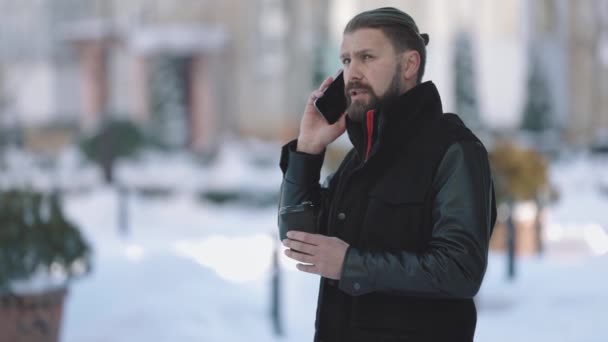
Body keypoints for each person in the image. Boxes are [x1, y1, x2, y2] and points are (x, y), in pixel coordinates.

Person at [278, 7, 496, 342]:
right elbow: (299, 239)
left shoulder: (454, 149)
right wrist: (307, 149)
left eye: (367, 57)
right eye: (347, 60)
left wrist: (350, 264)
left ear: (409, 65)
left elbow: (460, 270)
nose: (352, 72)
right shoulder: (359, 159)